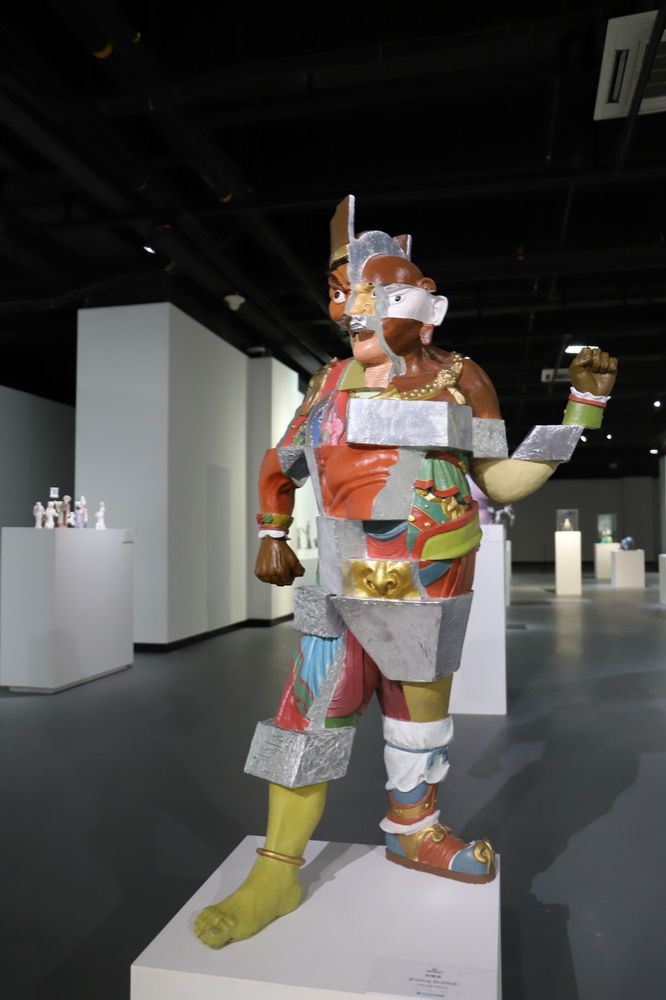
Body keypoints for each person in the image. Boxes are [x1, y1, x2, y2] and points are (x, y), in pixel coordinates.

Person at [195, 195, 617, 949]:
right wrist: (270, 530)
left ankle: (414, 830)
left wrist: (581, 411)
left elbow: (498, 479)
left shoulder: (463, 377)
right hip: (342, 582)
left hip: (432, 578)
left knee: (420, 717)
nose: (351, 310)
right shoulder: (328, 383)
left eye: (371, 293)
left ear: (425, 306)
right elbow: (281, 461)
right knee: (307, 716)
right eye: (342, 294)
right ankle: (277, 869)